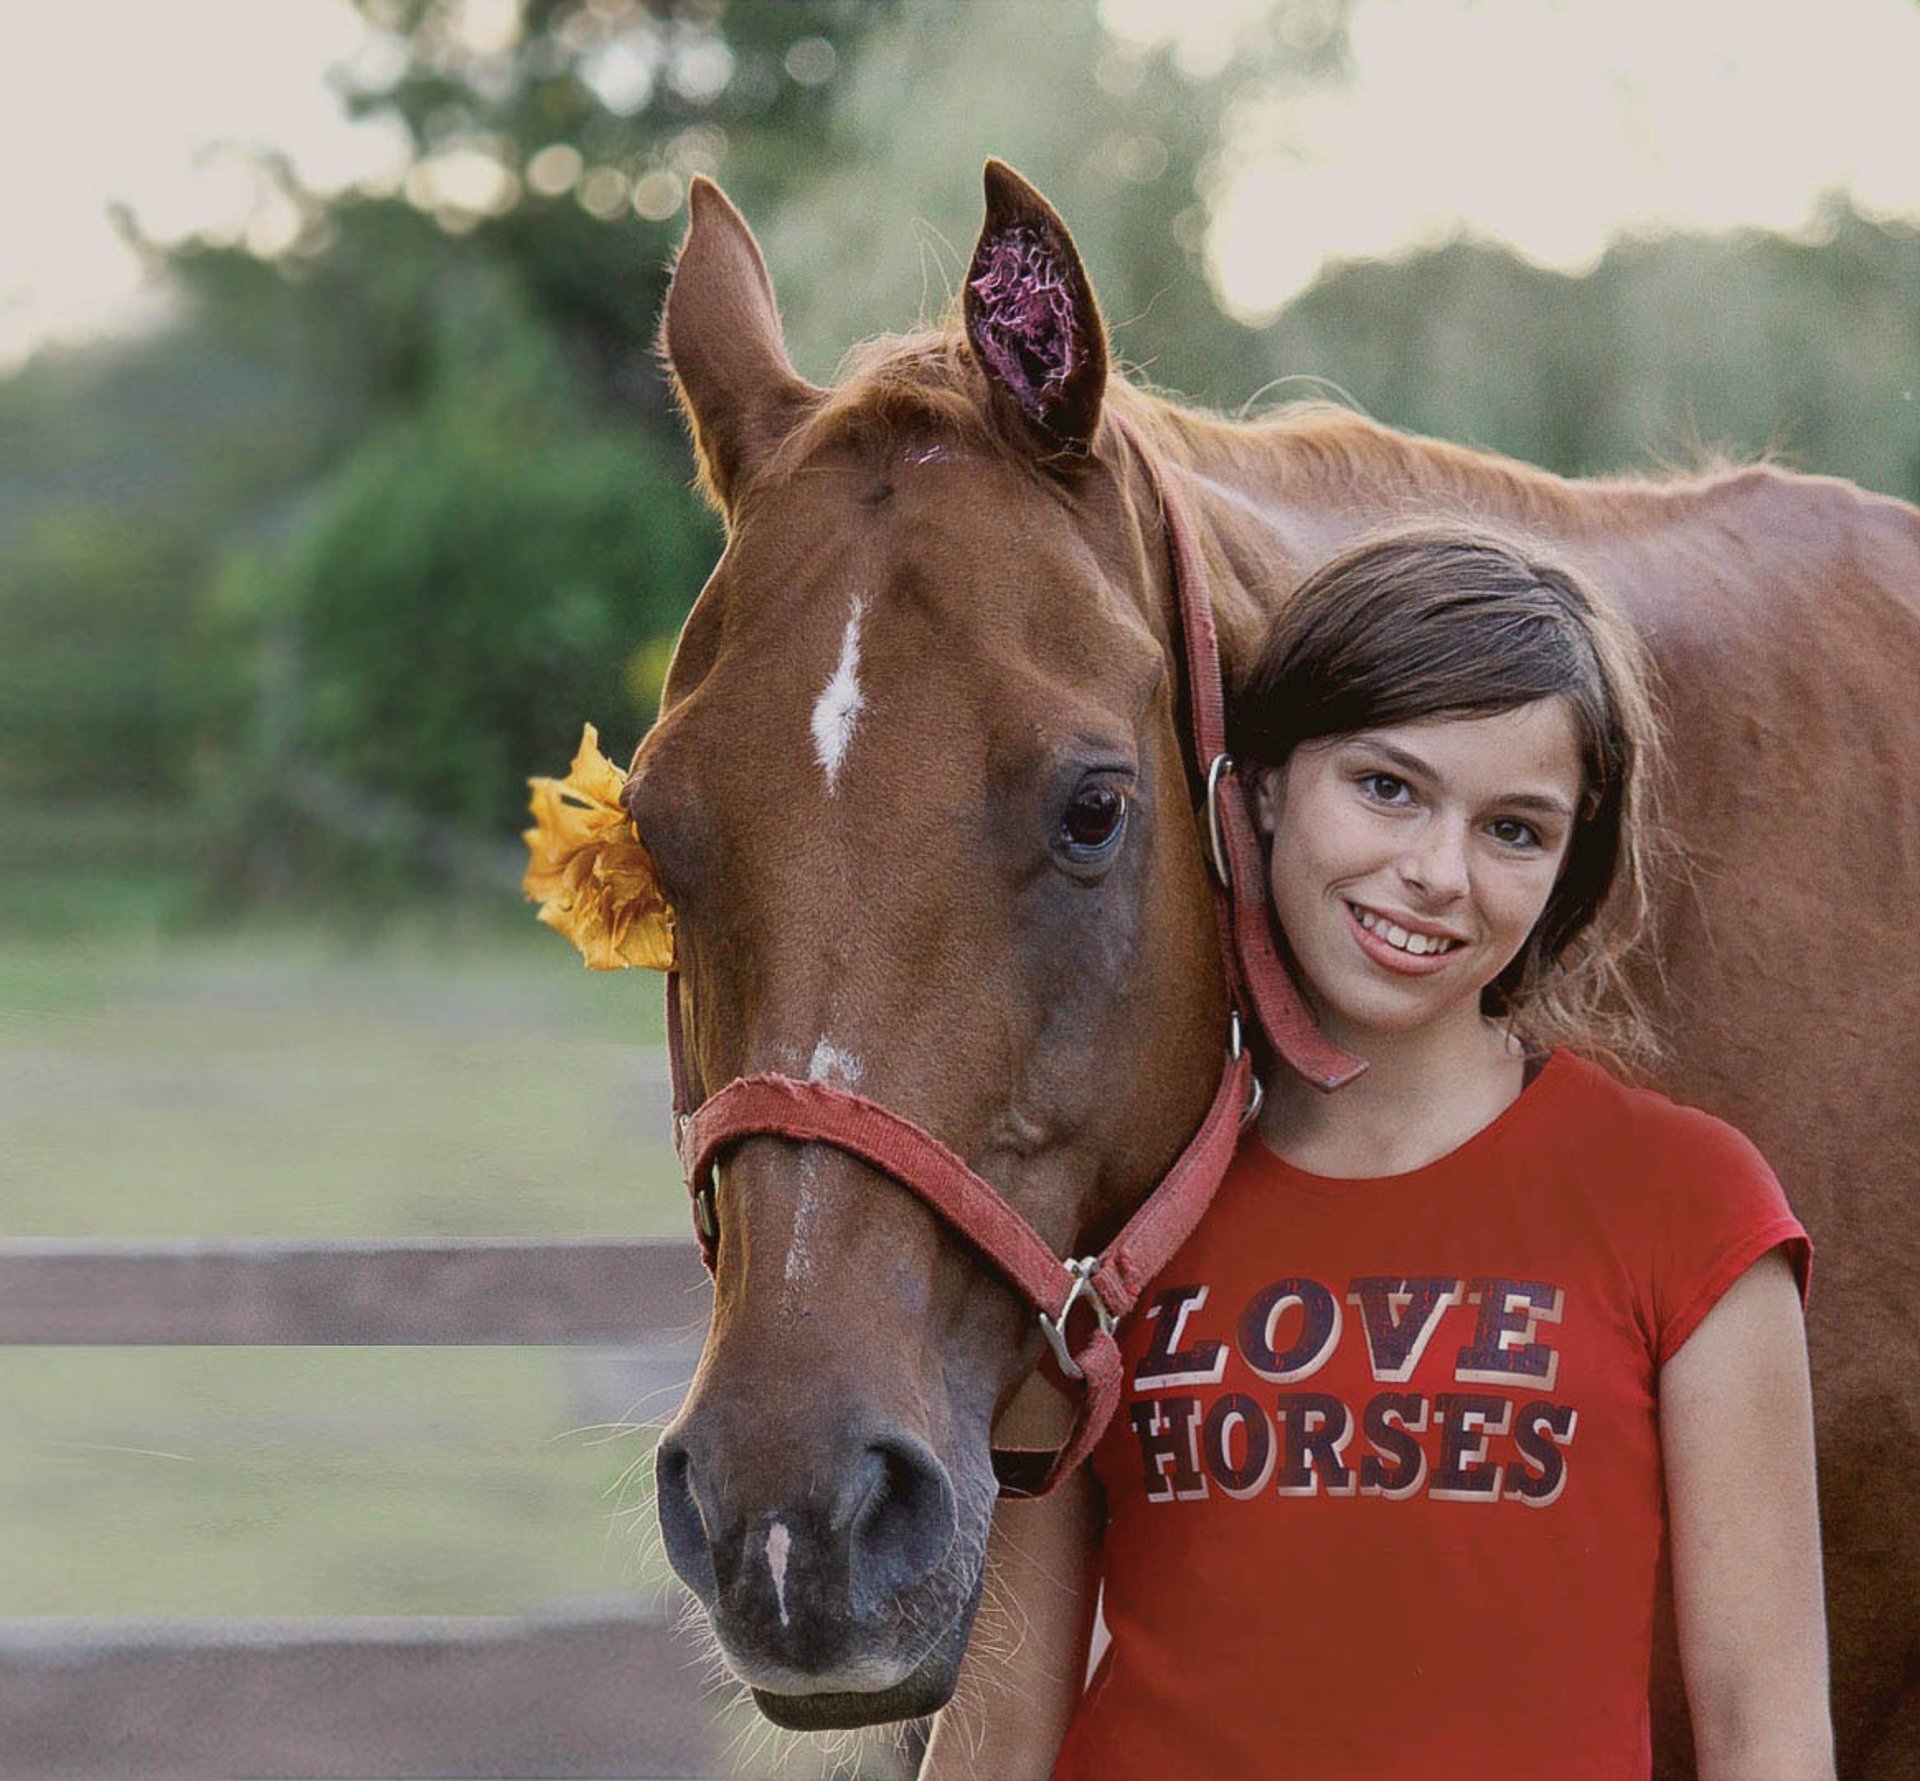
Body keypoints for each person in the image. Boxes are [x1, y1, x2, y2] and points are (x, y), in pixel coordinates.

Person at [921, 530, 1833, 1780]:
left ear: (1568, 867)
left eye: (1514, 828)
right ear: (1262, 786)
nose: (1435, 874)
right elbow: (994, 1735)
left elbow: (1767, 1738)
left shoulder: (1693, 1206)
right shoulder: (1111, 1207)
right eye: (1389, 786)